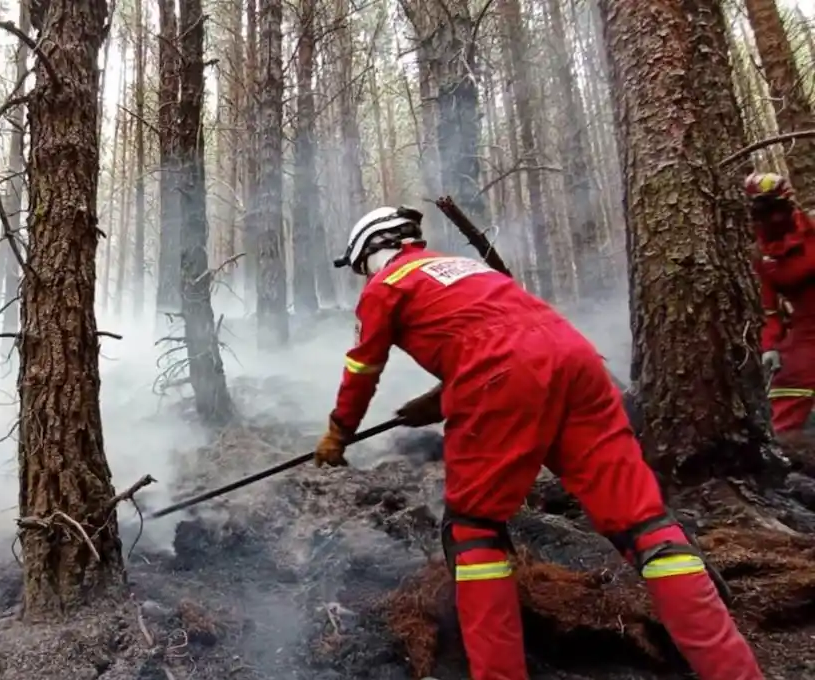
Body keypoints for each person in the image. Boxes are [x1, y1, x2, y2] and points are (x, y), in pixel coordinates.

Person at [315, 206, 762, 679]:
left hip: (502, 375)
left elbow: (364, 368)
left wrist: (338, 432)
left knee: (474, 530)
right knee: (644, 524)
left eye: (360, 266)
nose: (362, 276)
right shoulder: (466, 268)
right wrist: (443, 397)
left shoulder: (386, 285)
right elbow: (509, 333)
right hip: (578, 365)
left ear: (369, 251)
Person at [746, 172, 815, 435]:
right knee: (785, 399)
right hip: (805, 332)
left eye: (777, 209)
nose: (772, 219)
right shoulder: (761, 255)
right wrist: (769, 347)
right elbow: (769, 309)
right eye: (763, 212)